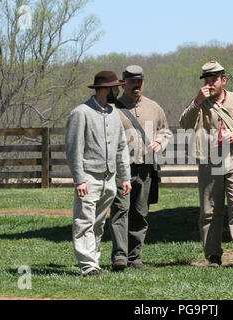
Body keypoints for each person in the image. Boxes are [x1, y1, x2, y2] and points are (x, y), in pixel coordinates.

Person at [179, 61, 233, 268]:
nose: (209, 83)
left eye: (213, 79)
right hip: (210, 159)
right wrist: (196, 102)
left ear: (223, 80)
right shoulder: (199, 103)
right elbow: (184, 124)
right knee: (209, 209)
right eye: (206, 79)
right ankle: (213, 255)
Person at [65, 70, 132, 276]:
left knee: (98, 223)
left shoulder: (113, 113)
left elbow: (121, 147)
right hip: (89, 177)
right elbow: (74, 148)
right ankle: (88, 265)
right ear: (106, 89)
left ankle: (94, 260)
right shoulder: (81, 113)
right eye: (116, 87)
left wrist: (125, 177)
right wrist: (79, 180)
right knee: (84, 221)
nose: (119, 90)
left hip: (109, 179)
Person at [109, 65, 172, 271]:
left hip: (145, 169)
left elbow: (166, 131)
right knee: (120, 211)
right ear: (123, 83)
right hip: (121, 170)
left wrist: (160, 142)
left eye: (139, 81)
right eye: (132, 81)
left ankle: (134, 258)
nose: (136, 85)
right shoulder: (112, 109)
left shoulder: (155, 108)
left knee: (140, 213)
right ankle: (119, 256)